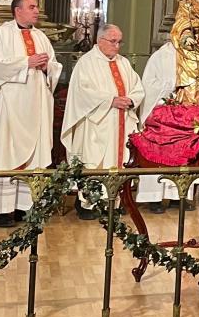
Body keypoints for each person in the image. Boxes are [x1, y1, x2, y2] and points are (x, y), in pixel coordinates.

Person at [0, 0, 62, 226]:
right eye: (32, 7)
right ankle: (0, 210)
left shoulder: (40, 36)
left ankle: (25, 206)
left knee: (33, 155)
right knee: (4, 152)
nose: (36, 11)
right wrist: (26, 63)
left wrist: (46, 67)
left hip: (35, 106)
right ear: (17, 10)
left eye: (36, 7)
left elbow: (54, 66)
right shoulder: (1, 34)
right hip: (8, 106)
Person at [62, 25, 143, 219]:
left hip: (121, 121)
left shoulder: (123, 63)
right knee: (95, 161)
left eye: (119, 42)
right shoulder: (86, 63)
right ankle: (88, 204)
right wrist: (110, 101)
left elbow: (138, 87)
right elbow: (82, 93)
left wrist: (131, 100)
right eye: (113, 41)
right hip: (96, 125)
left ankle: (113, 203)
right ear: (100, 41)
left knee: (119, 160)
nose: (117, 46)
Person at [135, 38, 179, 213]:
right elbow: (149, 85)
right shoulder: (159, 57)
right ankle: (153, 197)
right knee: (156, 154)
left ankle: (177, 195)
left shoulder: (191, 56)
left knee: (180, 153)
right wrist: (171, 87)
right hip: (160, 113)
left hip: (181, 115)